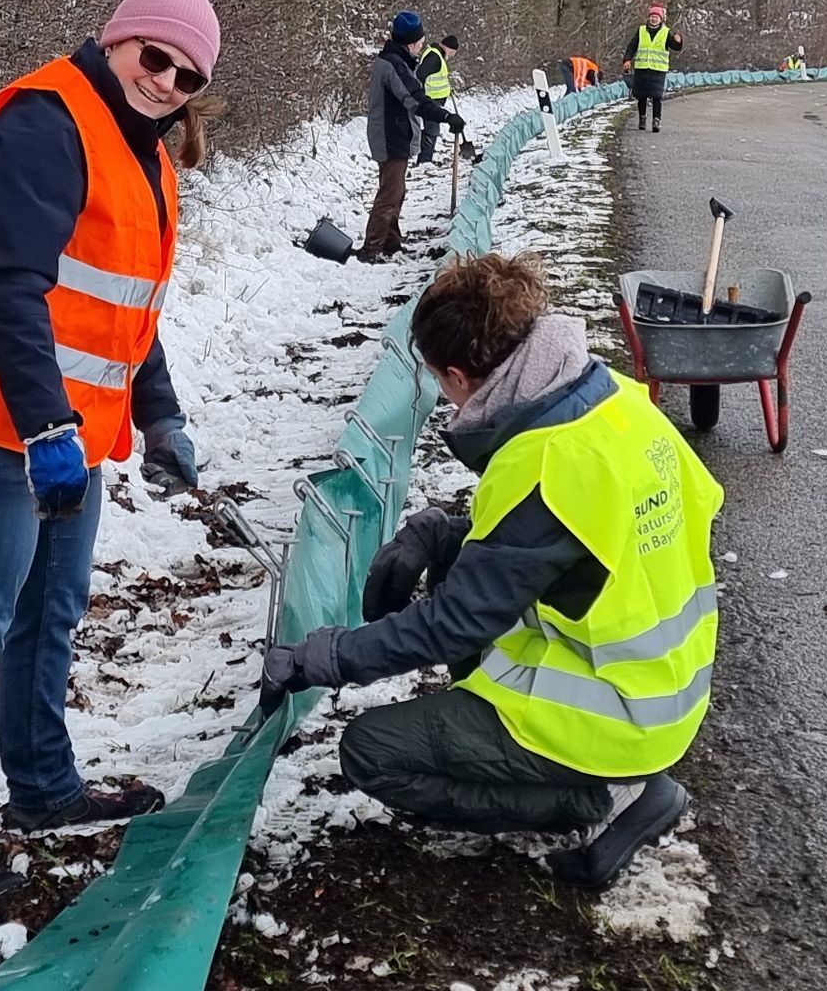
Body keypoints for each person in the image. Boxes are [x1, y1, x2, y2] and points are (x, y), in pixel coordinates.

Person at [0, 0, 220, 887]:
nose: (163, 81)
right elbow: (9, 285)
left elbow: (121, 311)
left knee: (51, 609)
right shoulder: (47, 120)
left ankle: (41, 786)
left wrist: (159, 418)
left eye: (186, 76)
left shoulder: (144, 150)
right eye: (154, 57)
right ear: (119, 40)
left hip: (60, 430)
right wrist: (46, 429)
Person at [252, 253, 719, 897]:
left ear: (458, 376)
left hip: (617, 710)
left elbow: (453, 623)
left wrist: (325, 656)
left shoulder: (547, 463)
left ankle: (601, 797)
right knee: (458, 581)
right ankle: (614, 775)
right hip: (666, 681)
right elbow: (553, 547)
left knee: (371, 752)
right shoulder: (606, 401)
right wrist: (441, 532)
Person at [361, 7, 431, 259]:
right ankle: (371, 249)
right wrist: (445, 116)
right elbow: (414, 98)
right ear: (411, 43)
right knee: (390, 194)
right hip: (391, 136)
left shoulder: (396, 60)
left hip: (394, 134)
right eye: (421, 42)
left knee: (396, 190)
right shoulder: (393, 64)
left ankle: (391, 242)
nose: (422, 47)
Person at [626, 3, 674, 134]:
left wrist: (678, 41)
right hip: (642, 68)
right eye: (652, 16)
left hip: (658, 70)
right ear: (649, 18)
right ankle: (642, 118)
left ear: (660, 19)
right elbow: (632, 46)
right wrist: (627, 59)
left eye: (656, 17)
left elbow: (675, 46)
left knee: (657, 96)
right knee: (641, 96)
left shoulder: (666, 33)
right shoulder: (641, 30)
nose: (654, 19)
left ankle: (656, 120)